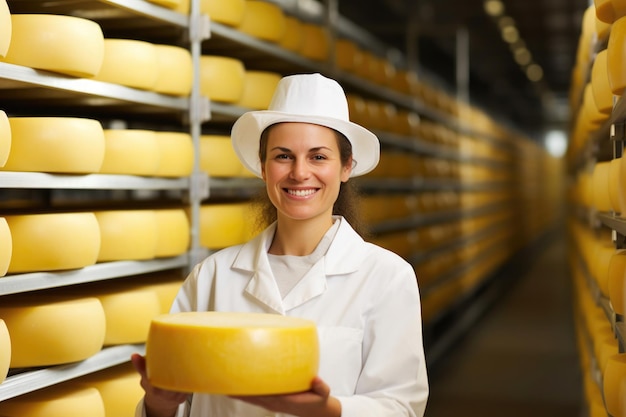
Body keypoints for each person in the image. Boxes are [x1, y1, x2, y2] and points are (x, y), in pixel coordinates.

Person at [131, 72, 429, 417]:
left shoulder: (386, 277)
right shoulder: (212, 276)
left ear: (346, 166)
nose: (300, 173)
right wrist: (158, 405)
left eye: (318, 157)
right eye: (283, 156)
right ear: (263, 167)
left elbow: (401, 407)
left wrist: (330, 410)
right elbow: (178, 402)